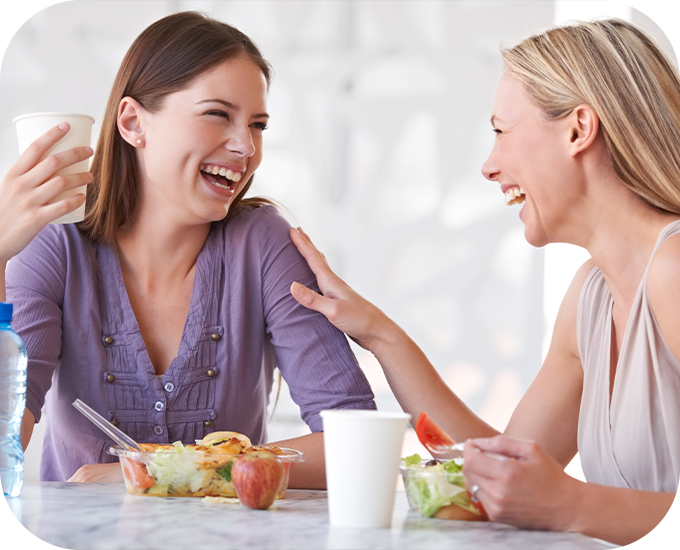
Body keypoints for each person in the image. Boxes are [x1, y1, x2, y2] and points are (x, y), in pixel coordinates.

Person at [289, 19, 680, 550]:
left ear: (577, 130)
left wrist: (570, 504)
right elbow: (498, 462)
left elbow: (550, 497)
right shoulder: (592, 293)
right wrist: (378, 332)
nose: (488, 167)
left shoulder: (674, 268)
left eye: (500, 130)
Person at [2, 11, 375, 487]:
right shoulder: (59, 246)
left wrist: (159, 473)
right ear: (134, 122)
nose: (246, 147)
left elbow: (355, 440)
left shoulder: (262, 244)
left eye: (257, 124)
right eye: (218, 114)